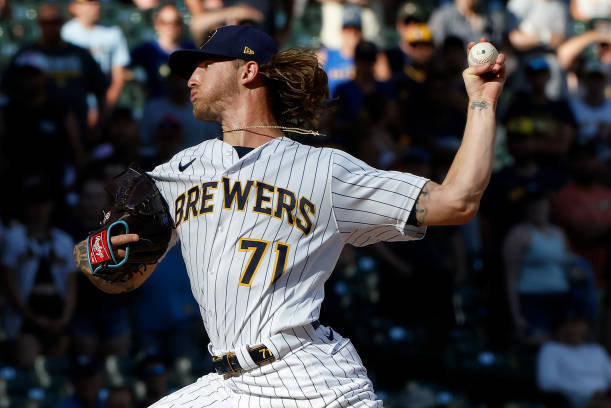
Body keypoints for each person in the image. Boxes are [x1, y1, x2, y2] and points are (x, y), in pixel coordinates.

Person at [73, 25, 506, 406]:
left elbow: (457, 202)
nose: (191, 76)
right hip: (231, 386)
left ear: (247, 71)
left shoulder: (326, 170)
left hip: (309, 380)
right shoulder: (178, 172)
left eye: (205, 64)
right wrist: (97, 253)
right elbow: (124, 276)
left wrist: (481, 103)